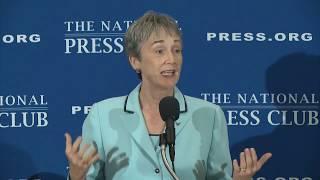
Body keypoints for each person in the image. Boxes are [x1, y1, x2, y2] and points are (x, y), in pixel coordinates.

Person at [65, 11, 272, 180]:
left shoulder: (209, 115)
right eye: (159, 51)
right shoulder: (102, 115)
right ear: (135, 61)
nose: (171, 59)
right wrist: (77, 176)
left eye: (177, 50)